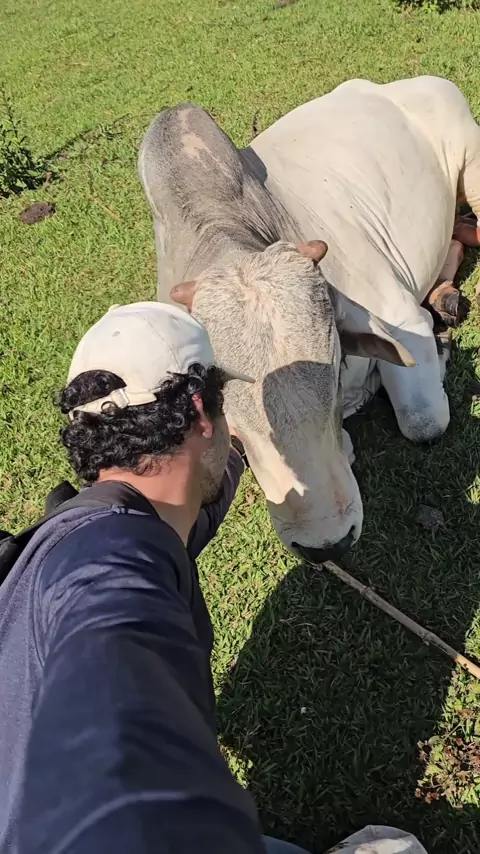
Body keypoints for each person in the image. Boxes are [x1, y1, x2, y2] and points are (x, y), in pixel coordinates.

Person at [0, 301, 428, 854]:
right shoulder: (108, 565)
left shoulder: (96, 523)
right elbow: (109, 666)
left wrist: (239, 453)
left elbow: (199, 498)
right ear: (203, 413)